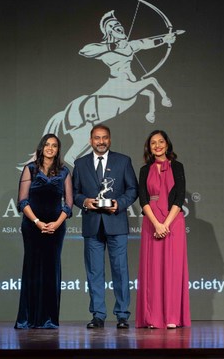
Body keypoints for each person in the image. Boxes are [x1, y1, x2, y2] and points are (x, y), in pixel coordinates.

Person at [73, 124, 138, 329]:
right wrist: (85, 201)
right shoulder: (80, 163)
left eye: (105, 138)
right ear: (90, 140)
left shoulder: (123, 161)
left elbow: (133, 189)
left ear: (110, 140)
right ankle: (98, 315)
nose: (101, 142)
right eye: (97, 138)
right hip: (92, 223)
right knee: (94, 271)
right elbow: (73, 193)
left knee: (120, 270)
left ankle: (122, 315)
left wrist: (120, 203)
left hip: (116, 223)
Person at [14, 134, 73, 329]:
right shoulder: (30, 169)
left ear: (58, 150)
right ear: (41, 147)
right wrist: (38, 222)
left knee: (51, 271)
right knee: (33, 269)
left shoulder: (64, 172)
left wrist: (56, 223)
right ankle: (28, 319)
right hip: (32, 226)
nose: (50, 148)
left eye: (54, 145)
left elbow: (69, 204)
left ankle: (48, 319)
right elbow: (22, 201)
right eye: (47, 145)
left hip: (56, 228)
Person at [135, 130, 191, 329]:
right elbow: (142, 199)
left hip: (173, 221)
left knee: (173, 270)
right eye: (153, 143)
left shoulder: (177, 167)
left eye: (160, 142)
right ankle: (152, 317)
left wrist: (165, 224)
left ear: (167, 145)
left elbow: (179, 196)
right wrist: (156, 224)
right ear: (149, 147)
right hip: (152, 222)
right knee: (153, 271)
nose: (157, 145)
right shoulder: (144, 170)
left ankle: (172, 316)